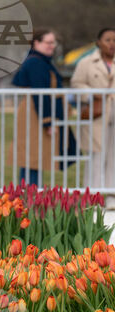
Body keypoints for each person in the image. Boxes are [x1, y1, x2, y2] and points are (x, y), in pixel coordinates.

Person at [12, 29, 75, 187]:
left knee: (33, 158)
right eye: (48, 42)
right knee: (32, 158)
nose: (51, 46)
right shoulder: (35, 62)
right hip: (35, 113)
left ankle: (29, 195)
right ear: (36, 43)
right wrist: (47, 121)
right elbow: (40, 93)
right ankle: (29, 197)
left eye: (53, 42)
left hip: (36, 112)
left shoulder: (41, 61)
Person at [71, 28, 115, 196]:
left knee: (113, 159)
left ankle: (112, 197)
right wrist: (92, 94)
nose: (112, 44)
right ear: (98, 42)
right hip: (96, 115)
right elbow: (76, 84)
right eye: (108, 40)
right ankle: (91, 198)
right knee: (95, 159)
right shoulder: (86, 63)